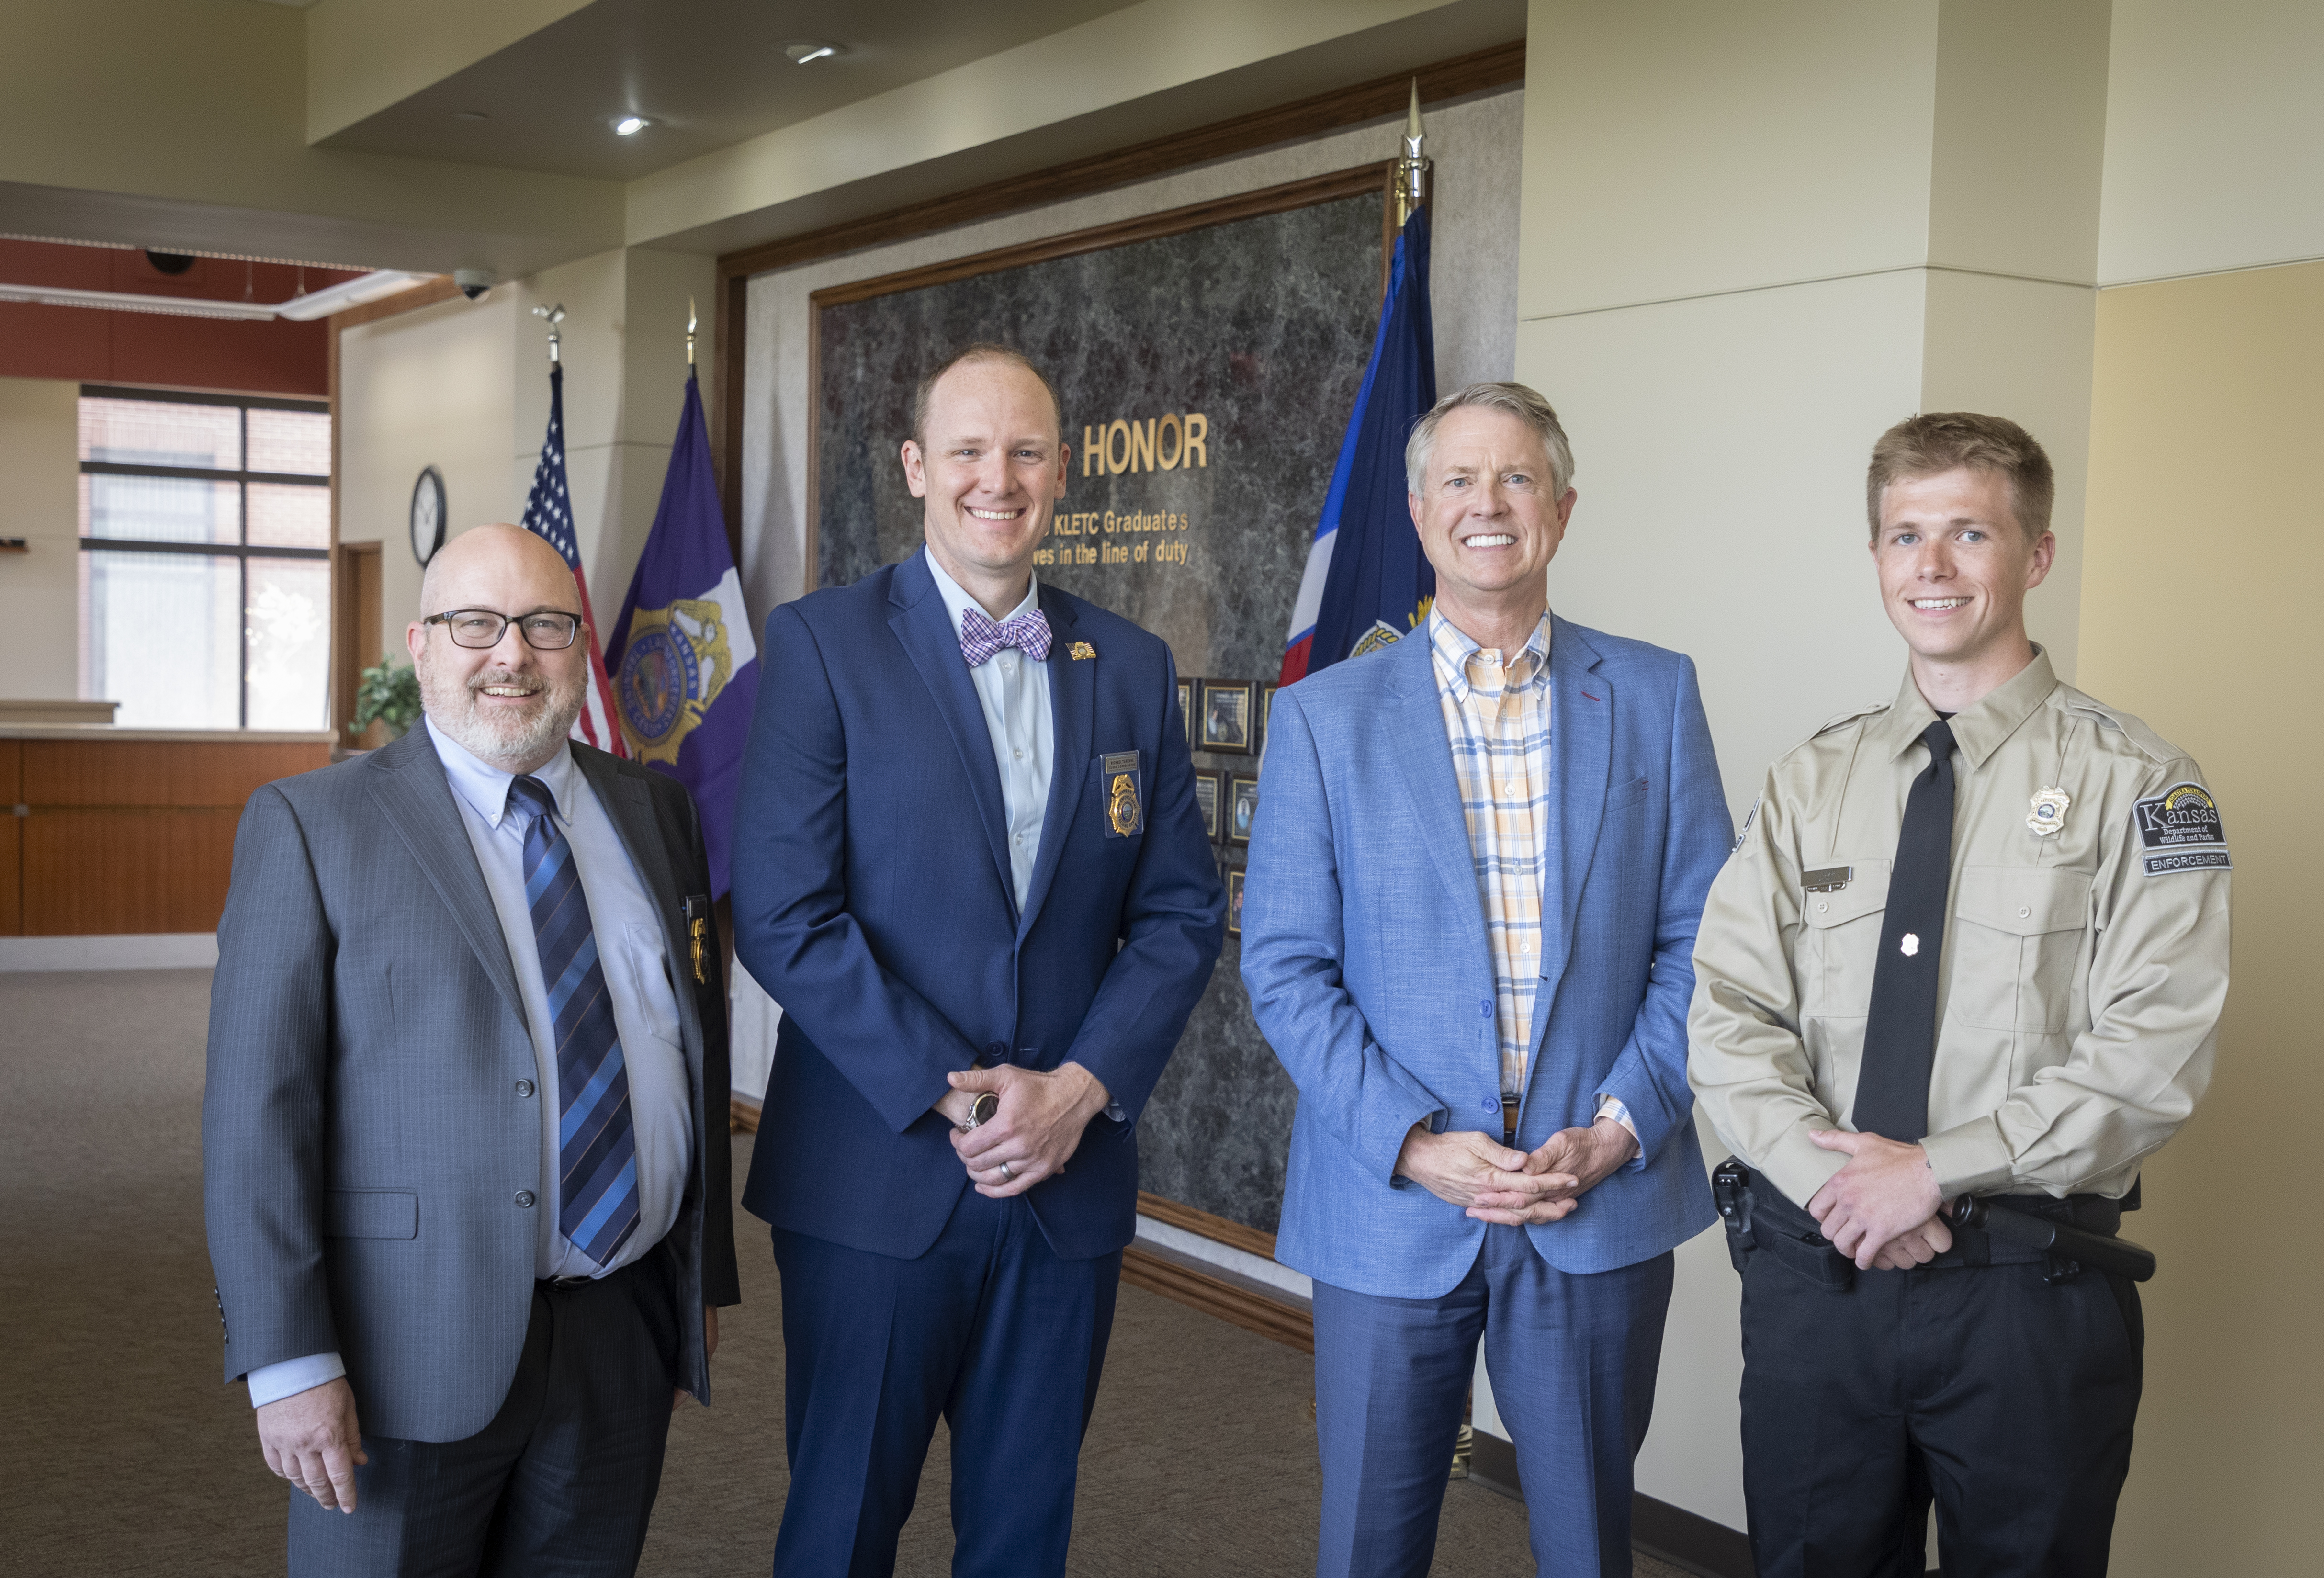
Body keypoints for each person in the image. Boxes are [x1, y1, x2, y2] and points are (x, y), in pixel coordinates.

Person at [1687, 412, 2232, 1576]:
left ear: (2035, 555)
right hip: (1818, 1279)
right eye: (1904, 535)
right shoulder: (1810, 781)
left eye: (1968, 533)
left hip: (2022, 1296)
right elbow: (1728, 1009)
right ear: (1878, 555)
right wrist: (1844, 1186)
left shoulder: (2137, 782)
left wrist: (1930, 1170)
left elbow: (2157, 1050)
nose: (1930, 568)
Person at [732, 343, 1223, 1577]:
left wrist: (1078, 1089)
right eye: (967, 450)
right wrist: (955, 1087)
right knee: (842, 1527)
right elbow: (786, 913)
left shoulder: (1132, 665)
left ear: (1062, 473)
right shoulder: (823, 645)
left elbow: (1177, 915)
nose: (996, 478)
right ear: (916, 468)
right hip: (874, 1176)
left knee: (1022, 1535)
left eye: (1024, 452)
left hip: (1065, 1182)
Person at [1242, 382, 1732, 1578]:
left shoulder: (1657, 694)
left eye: (1516, 478)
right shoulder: (1322, 717)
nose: (1488, 504)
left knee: (1586, 1550)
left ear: (1562, 509)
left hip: (1596, 1194)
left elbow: (1708, 945)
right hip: (1391, 1202)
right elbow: (1287, 966)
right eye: (1459, 480)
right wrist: (1412, 1141)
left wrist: (1621, 1127)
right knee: (1369, 1544)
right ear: (1417, 513)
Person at [203, 522, 738, 1577]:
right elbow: (255, 1120)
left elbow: (693, 1054)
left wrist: (695, 1288)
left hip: (619, 1326)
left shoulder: (656, 808)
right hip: (405, 1345)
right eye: (475, 624)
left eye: (544, 625)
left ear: (581, 647)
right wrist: (287, 1359)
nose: (511, 654)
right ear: (420, 644)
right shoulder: (313, 826)